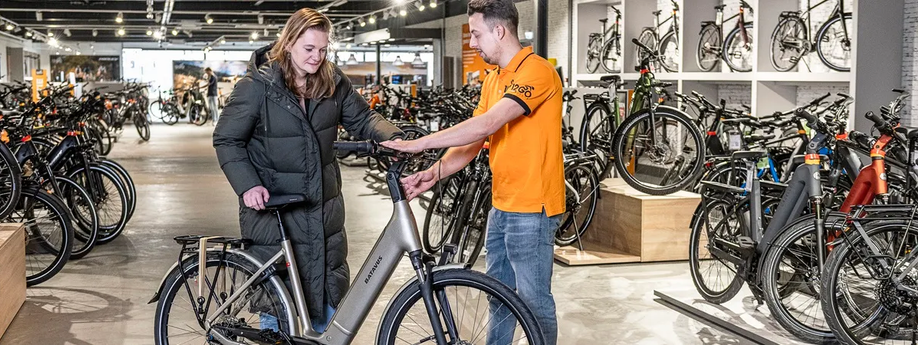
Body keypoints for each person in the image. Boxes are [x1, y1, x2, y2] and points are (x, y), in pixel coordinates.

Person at [381, 1, 564, 344]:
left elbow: (490, 121)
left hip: (533, 208)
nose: (473, 44)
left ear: (499, 30)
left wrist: (420, 144)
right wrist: (433, 174)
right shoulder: (493, 79)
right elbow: (474, 139)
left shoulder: (537, 71)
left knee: (535, 302)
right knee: (499, 296)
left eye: (477, 34)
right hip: (500, 206)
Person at [213, 8, 402, 333]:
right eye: (309, 49)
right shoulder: (257, 87)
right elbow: (227, 139)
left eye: (324, 49)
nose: (317, 57)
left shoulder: (332, 81)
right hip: (274, 214)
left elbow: (363, 118)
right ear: (288, 44)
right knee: (278, 313)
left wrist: (393, 136)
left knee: (328, 313)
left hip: (323, 211)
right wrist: (248, 186)